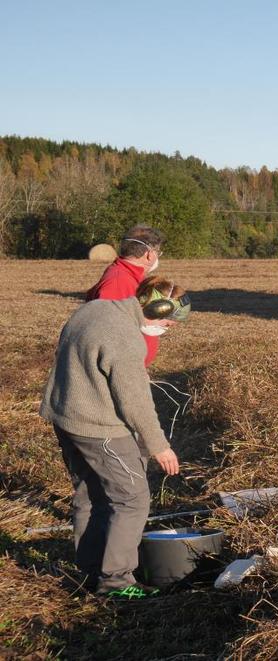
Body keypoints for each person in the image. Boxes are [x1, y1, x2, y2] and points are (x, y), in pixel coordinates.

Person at [40, 276, 191, 599]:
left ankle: (91, 571)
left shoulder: (93, 309)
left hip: (66, 419)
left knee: (90, 494)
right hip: (100, 430)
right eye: (168, 319)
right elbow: (135, 402)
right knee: (132, 499)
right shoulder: (124, 338)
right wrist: (159, 447)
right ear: (155, 307)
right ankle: (116, 582)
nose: (169, 326)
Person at [86, 225, 165, 367]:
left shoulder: (128, 277)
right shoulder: (118, 282)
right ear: (150, 254)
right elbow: (108, 332)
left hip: (129, 367)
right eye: (158, 252)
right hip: (119, 370)